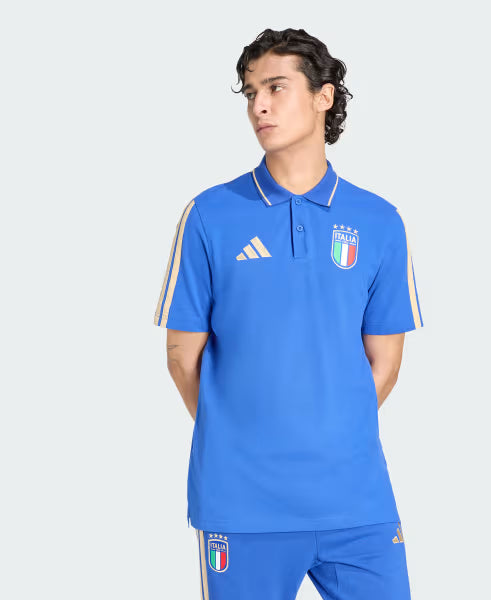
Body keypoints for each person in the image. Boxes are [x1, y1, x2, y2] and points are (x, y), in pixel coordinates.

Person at [153, 27, 423, 600]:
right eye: (251, 92)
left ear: (324, 96)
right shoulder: (209, 215)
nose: (260, 105)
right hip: (241, 505)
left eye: (276, 87)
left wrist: (325, 427)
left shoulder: (379, 221)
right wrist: (245, 434)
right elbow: (181, 357)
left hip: (357, 502)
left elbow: (385, 363)